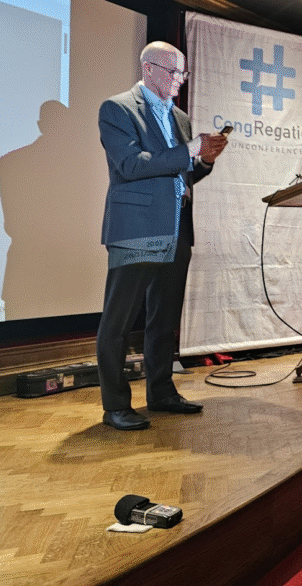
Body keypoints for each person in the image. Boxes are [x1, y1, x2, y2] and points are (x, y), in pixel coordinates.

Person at [96, 41, 228, 431]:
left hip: (176, 230)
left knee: (164, 319)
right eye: (173, 72)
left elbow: (183, 174)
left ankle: (161, 392)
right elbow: (130, 165)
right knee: (118, 323)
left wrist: (203, 160)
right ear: (148, 68)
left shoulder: (181, 117)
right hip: (136, 230)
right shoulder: (117, 108)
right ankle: (116, 405)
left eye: (182, 73)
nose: (179, 80)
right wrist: (189, 150)